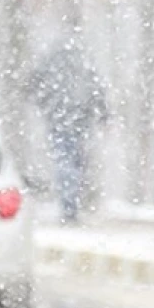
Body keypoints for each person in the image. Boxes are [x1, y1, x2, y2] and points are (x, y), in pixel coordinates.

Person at [27, 41, 107, 224]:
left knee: (64, 162)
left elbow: (34, 85)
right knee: (76, 163)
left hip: (59, 119)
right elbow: (96, 89)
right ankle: (72, 204)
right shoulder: (82, 63)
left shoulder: (52, 62)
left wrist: (44, 105)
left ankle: (68, 205)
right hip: (80, 120)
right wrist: (103, 113)